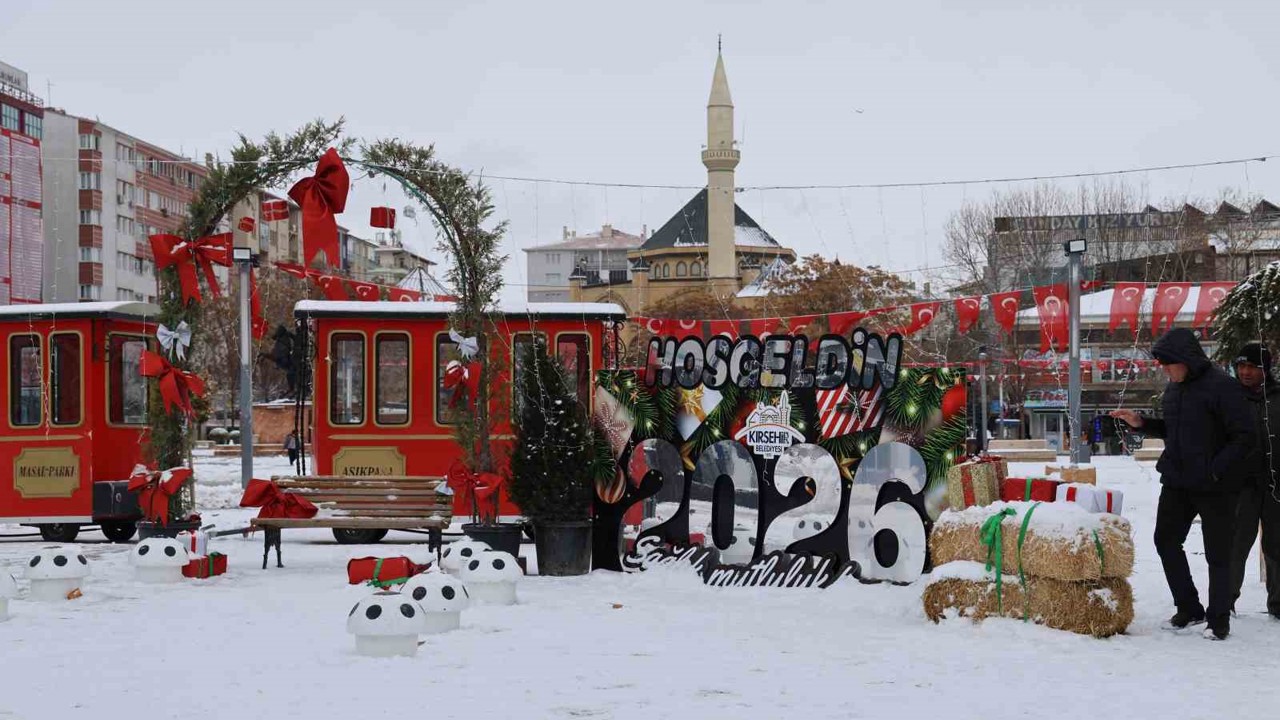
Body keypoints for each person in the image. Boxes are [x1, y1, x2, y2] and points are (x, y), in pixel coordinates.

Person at [1110, 328, 1254, 640]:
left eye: (1168, 365)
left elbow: (1244, 436)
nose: (1165, 371)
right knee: (1165, 540)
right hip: (1178, 480)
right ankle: (1189, 608)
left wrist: (1215, 471)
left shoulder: (1223, 387)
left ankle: (1218, 621)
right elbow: (1174, 430)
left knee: (1218, 553)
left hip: (1216, 486)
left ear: (1185, 360)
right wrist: (1141, 423)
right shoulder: (1174, 388)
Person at [1227, 342, 1280, 619]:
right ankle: (1226, 600)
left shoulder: (1277, 396)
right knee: (1235, 544)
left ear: (1265, 369)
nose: (1245, 372)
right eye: (1241, 366)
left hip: (1275, 485)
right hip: (1241, 485)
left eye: (1252, 367)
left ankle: (1278, 604)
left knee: (1276, 546)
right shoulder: (1229, 397)